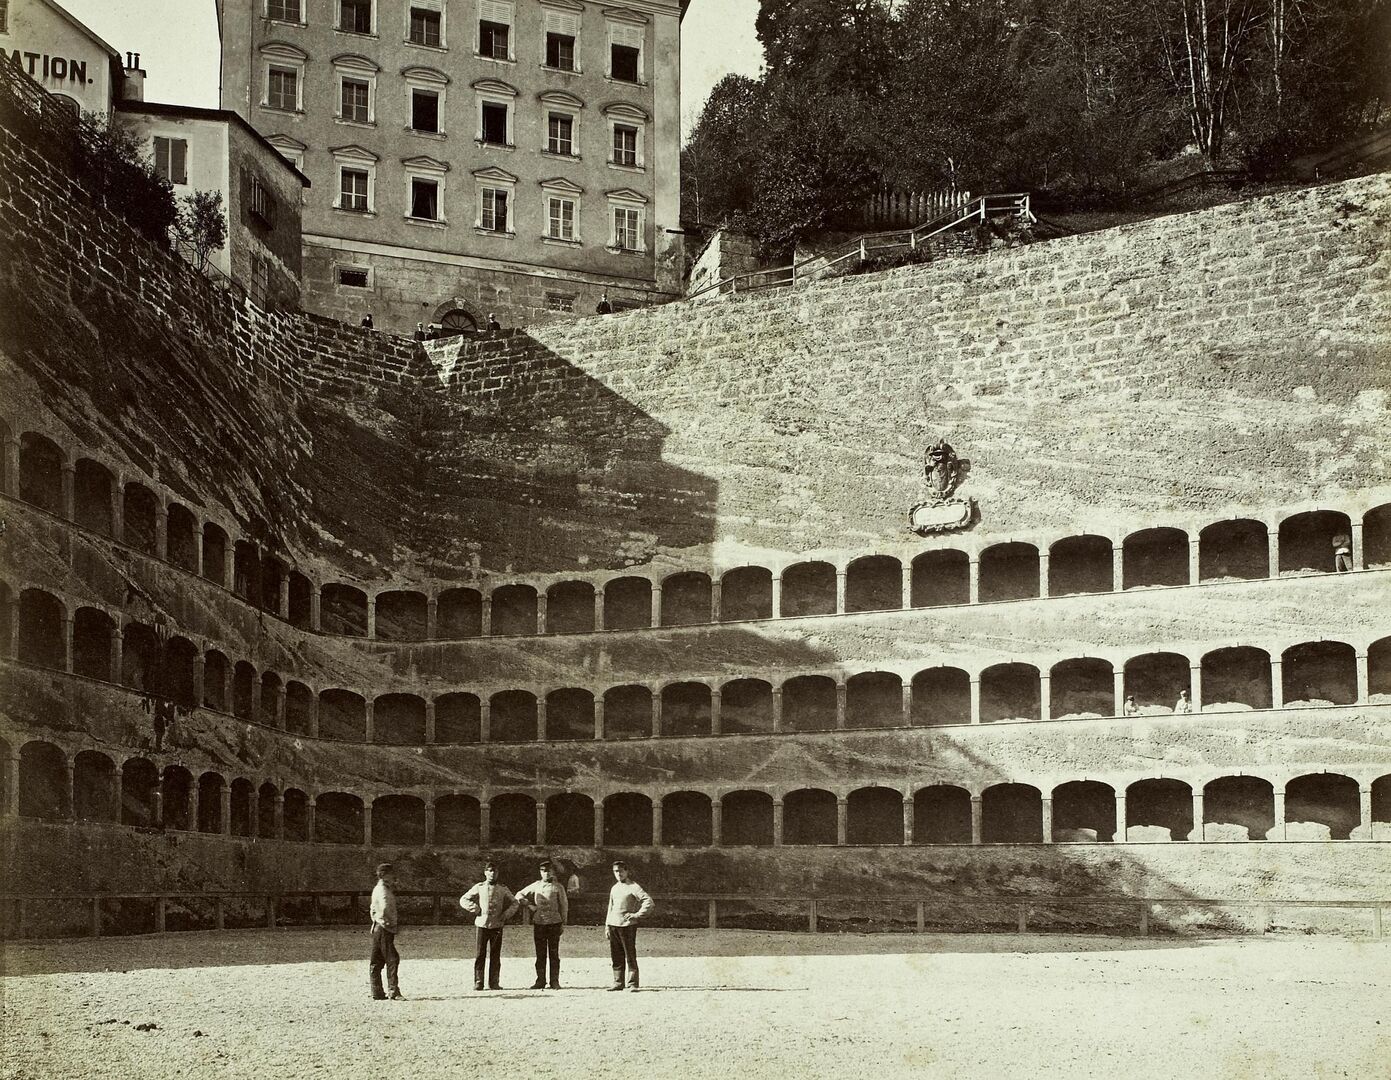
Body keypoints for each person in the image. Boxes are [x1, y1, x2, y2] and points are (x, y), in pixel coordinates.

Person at [460, 861, 518, 990]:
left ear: (497, 873)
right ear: (485, 872)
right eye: (490, 871)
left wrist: (506, 914)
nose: (492, 873)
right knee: (480, 954)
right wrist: (475, 908)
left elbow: (515, 903)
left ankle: (494, 982)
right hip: (482, 924)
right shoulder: (479, 887)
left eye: (494, 871)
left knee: (495, 955)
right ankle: (479, 981)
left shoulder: (503, 889)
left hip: (497, 925)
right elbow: (463, 899)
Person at [515, 859, 569, 989]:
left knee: (554, 954)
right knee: (540, 954)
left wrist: (563, 923)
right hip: (539, 922)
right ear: (540, 872)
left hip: (554, 922)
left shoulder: (558, 887)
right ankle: (540, 980)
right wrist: (529, 905)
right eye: (543, 871)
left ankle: (554, 981)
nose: (546, 873)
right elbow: (518, 895)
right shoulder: (536, 885)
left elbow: (564, 906)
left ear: (552, 872)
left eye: (548, 871)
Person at [605, 861, 653, 991]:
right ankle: (618, 982)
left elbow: (648, 901)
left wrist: (637, 914)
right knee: (616, 955)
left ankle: (632, 983)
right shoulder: (614, 888)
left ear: (627, 872)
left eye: (621, 871)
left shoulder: (634, 887)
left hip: (627, 926)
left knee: (630, 954)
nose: (618, 874)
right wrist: (607, 926)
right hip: (614, 924)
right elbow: (611, 907)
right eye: (616, 871)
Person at [369, 862, 403, 1000]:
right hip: (384, 928)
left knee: (376, 961)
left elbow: (373, 908)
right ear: (384, 875)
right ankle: (393, 990)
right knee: (392, 959)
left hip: (378, 926)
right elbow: (384, 908)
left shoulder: (379, 889)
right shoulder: (383, 890)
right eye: (391, 874)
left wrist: (376, 920)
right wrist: (389, 923)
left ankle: (377, 992)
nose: (394, 876)